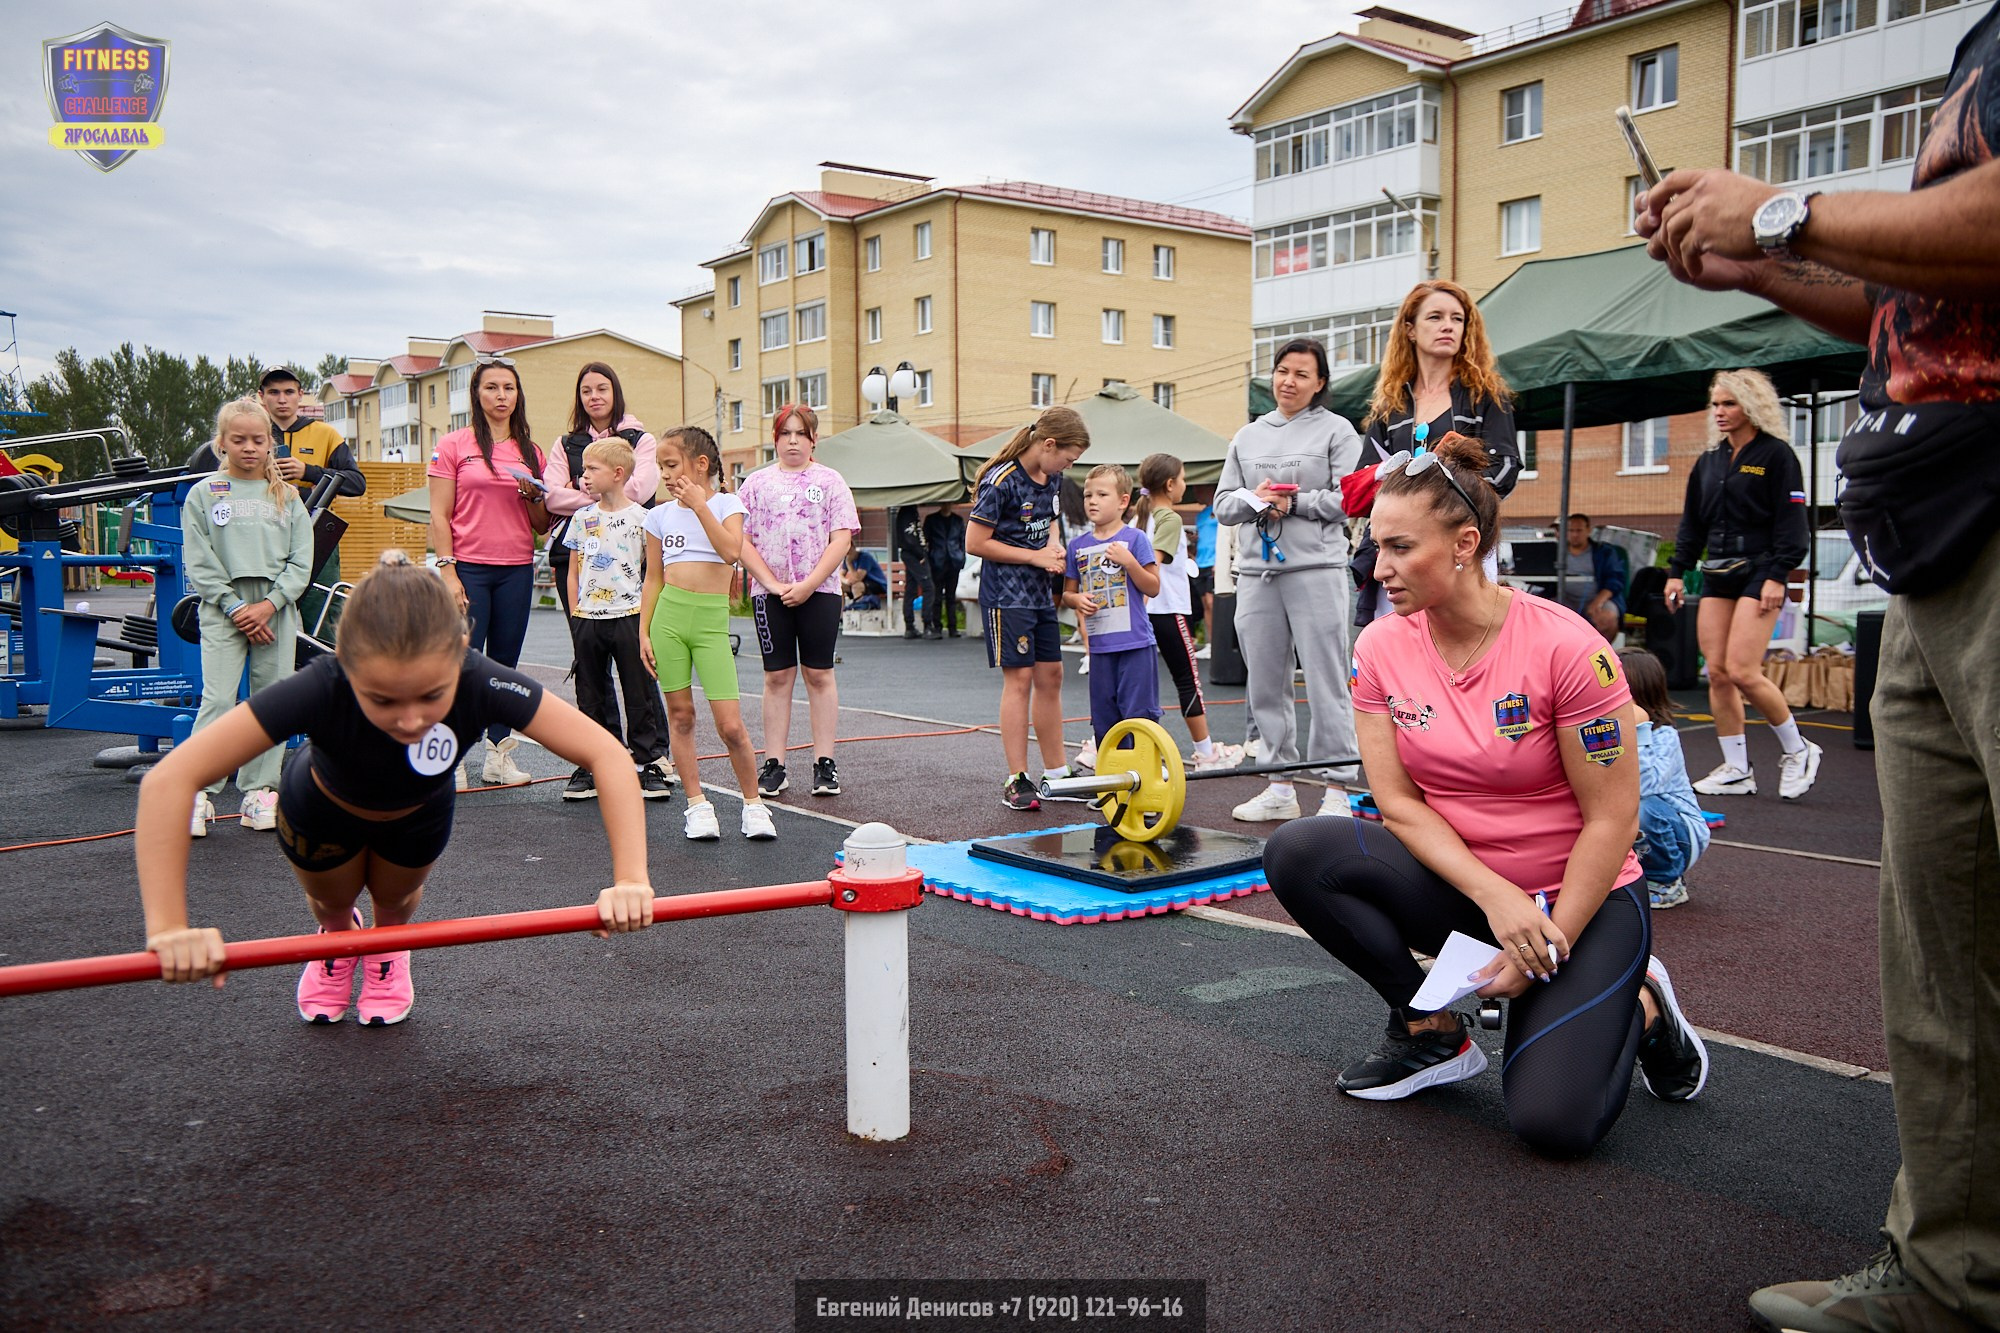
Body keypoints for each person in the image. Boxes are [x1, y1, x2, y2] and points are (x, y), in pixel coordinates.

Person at [1640, 10, 2000, 1322]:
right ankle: (1953, 1277)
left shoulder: (1764, 455)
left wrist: (1783, 207)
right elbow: (1913, 301)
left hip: (1972, 536)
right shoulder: (1981, 49)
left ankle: (1777, 753)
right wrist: (1758, 267)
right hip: (1934, 549)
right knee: (1942, 965)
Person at [1262, 431, 1709, 1157]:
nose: (1380, 567)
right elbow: (1399, 803)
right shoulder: (1380, 645)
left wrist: (1542, 938)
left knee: (1552, 1126)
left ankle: (1646, 1006)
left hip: (1581, 901)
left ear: (1466, 543)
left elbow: (1613, 818)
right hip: (1474, 891)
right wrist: (1497, 899)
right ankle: (1428, 1031)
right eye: (1376, 545)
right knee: (1299, 849)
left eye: (1402, 547)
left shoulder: (1567, 648)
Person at [136, 550, 654, 1025]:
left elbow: (605, 752)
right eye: (383, 700)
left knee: (397, 900)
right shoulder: (322, 684)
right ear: (346, 663)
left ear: (461, 652)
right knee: (332, 905)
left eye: (431, 696)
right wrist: (168, 928)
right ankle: (338, 942)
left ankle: (387, 949)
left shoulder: (480, 679)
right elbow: (170, 779)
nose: (410, 720)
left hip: (417, 813)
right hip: (323, 810)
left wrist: (631, 879)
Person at [1214, 337, 1363, 822]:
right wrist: (1257, 499)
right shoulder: (1248, 435)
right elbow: (1222, 506)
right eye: (1282, 370)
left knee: (1326, 679)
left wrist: (1295, 503)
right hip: (1257, 574)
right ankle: (1279, 783)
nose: (1289, 381)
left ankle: (1337, 789)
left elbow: (1352, 500)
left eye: (1302, 373)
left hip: (1317, 570)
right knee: (1265, 684)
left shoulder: (1338, 431)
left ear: (1320, 383)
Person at [1661, 369, 1820, 802]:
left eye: (1728, 404)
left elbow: (1792, 524)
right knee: (1717, 673)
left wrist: (1778, 575)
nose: (1720, 412)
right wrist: (1676, 571)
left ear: (1751, 406)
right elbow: (1692, 523)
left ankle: (1799, 749)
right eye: (1716, 404)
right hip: (1717, 573)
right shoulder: (1709, 462)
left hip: (1761, 569)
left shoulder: (1777, 456)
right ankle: (1737, 769)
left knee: (1743, 670)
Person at [180, 398, 315, 837]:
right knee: (218, 700)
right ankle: (199, 791)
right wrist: (236, 606)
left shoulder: (288, 496)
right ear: (221, 443)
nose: (250, 448)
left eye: (259, 440)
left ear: (271, 443)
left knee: (271, 702)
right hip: (224, 609)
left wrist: (270, 604)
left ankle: (259, 791)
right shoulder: (203, 494)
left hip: (275, 608)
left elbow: (301, 562)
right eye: (238, 440)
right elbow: (199, 561)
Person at [1352, 280, 1522, 625]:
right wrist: (1395, 477)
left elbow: (1505, 469)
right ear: (1410, 330)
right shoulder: (1390, 405)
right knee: (1399, 645)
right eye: (1435, 317)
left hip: (1461, 546)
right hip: (1399, 549)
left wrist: (1450, 477)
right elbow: (1362, 480)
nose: (1448, 325)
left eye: (1458, 319)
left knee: (1463, 641)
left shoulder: (1485, 396)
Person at [639, 428, 775, 842]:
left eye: (671, 465)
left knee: (730, 725)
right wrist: (643, 632)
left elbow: (732, 553)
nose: (664, 474)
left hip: (711, 623)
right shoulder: (658, 516)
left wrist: (700, 507)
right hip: (669, 620)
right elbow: (653, 580)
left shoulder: (727, 504)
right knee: (680, 716)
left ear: (701, 465)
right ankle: (697, 805)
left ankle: (753, 805)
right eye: (661, 466)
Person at [426, 356, 549, 790]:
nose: (501, 396)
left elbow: (540, 524)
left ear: (518, 395)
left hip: (516, 569)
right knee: (459, 666)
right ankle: (450, 758)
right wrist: (448, 570)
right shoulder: (455, 444)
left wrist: (535, 496)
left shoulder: (531, 451)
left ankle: (499, 757)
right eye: (491, 387)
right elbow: (439, 516)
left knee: (504, 667)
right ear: (477, 395)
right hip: (469, 569)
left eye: (509, 388)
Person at [967, 405, 1091, 812]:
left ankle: (1056, 771)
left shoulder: (1052, 477)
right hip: (1007, 594)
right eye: (1068, 458)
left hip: (1039, 593)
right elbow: (976, 543)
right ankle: (1016, 777)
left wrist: (1053, 546)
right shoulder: (1000, 480)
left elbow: (1051, 520)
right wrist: (1034, 557)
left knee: (1051, 675)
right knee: (1018, 680)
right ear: (1048, 444)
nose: (1068, 466)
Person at [187, 367, 366, 639]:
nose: (281, 399)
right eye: (273, 392)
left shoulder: (325, 434)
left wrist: (309, 472)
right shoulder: (249, 430)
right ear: (261, 397)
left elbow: (356, 483)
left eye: (288, 392)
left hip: (316, 536)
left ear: (300, 395)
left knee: (324, 622)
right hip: (259, 539)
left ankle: (328, 677)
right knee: (258, 620)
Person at [735, 405, 858, 801]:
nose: (792, 441)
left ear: (813, 440)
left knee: (819, 675)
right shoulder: (754, 484)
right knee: (777, 677)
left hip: (819, 593)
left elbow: (841, 539)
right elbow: (740, 540)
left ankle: (825, 763)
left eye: (800, 434)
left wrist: (808, 584)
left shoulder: (831, 481)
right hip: (769, 596)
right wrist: (770, 583)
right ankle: (774, 764)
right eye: (785, 433)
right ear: (774, 439)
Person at [560, 436, 671, 803]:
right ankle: (596, 763)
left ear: (618, 474)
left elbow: (653, 572)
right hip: (588, 619)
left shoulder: (643, 519)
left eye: (592, 469)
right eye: (583, 469)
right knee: (590, 694)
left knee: (638, 692)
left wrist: (648, 621)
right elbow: (573, 571)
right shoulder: (581, 518)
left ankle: (648, 762)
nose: (584, 476)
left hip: (629, 616)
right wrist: (577, 614)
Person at [1135, 454, 1243, 771]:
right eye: (1182, 479)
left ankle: (1112, 748)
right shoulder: (1167, 518)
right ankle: (1206, 753)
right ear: (1170, 485)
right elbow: (1152, 562)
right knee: (1188, 680)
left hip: (1145, 612)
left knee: (1138, 683)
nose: (1185, 485)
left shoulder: (1140, 517)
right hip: (1167, 609)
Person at [1061, 464, 1161, 756]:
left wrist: (1129, 562)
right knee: (1104, 718)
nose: (1092, 500)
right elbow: (1068, 592)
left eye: (1102, 494)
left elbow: (1153, 587)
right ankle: (1111, 785)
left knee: (1139, 715)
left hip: (1135, 644)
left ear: (1123, 501)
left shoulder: (1135, 539)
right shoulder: (1077, 546)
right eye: (1087, 494)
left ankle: (1145, 776)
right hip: (1100, 647)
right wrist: (1075, 600)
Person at [1620, 647, 1707, 911]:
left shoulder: (1663, 736)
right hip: (1628, 828)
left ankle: (1666, 880)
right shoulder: (1607, 732)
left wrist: (1638, 727)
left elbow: (1646, 786)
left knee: (1645, 808)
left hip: (1680, 833)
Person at [1555, 513, 1628, 643]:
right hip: (1565, 599)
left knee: (1608, 619)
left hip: (1596, 598)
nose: (1575, 535)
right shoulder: (1556, 552)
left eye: (1579, 530)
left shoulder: (1604, 552)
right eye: (1571, 530)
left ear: (1589, 530)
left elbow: (1615, 580)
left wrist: (1598, 601)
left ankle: (1603, 654)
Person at [923, 503, 967, 637]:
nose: (947, 506)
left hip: (954, 561)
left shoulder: (958, 520)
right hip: (937, 561)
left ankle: (952, 627)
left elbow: (962, 541)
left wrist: (962, 557)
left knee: (951, 596)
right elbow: (926, 540)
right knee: (936, 596)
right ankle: (937, 626)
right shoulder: (931, 519)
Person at [895, 506, 939, 640]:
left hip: (911, 553)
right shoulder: (908, 513)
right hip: (914, 554)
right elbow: (909, 537)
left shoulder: (907, 512)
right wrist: (920, 555)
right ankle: (927, 625)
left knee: (911, 588)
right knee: (928, 587)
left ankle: (910, 626)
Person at [1192, 503, 1218, 646]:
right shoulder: (1200, 515)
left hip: (1214, 562)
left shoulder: (1220, 509)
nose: (1196, 490)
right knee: (1205, 605)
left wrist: (1220, 561)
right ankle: (1212, 645)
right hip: (1200, 562)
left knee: (1211, 602)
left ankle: (1221, 644)